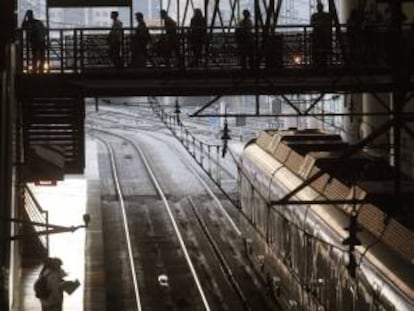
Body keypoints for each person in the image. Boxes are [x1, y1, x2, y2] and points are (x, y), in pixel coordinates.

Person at [310, 2, 332, 67]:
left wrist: (318, 24)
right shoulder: (326, 15)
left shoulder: (314, 16)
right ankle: (323, 64)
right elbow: (329, 22)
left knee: (318, 50)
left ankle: (317, 64)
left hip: (318, 35)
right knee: (323, 50)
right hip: (323, 35)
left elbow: (312, 24)